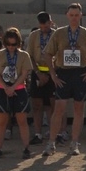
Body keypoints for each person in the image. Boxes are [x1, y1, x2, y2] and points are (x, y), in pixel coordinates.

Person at [42, 3, 86, 157]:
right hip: (63, 73)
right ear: (67, 15)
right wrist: (52, 74)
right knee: (59, 108)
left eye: (76, 15)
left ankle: (74, 143)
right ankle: (51, 143)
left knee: (79, 109)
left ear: (81, 16)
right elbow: (47, 53)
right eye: (71, 15)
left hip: (80, 74)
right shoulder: (58, 34)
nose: (74, 18)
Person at [0, 28, 33, 159]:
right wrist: (5, 87)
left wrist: (13, 87)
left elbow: (24, 74)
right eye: (8, 44)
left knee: (21, 120)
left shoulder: (24, 55)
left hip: (18, 89)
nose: (11, 47)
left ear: (18, 43)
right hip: (3, 90)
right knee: (1, 121)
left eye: (14, 44)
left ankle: (26, 148)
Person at [25, 12, 55, 145]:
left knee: (52, 105)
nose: (44, 29)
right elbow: (29, 55)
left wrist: (51, 74)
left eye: (47, 25)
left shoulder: (56, 34)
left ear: (50, 22)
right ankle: (38, 133)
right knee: (37, 105)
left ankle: (54, 133)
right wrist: (38, 73)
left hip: (53, 73)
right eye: (42, 26)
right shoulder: (33, 36)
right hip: (38, 72)